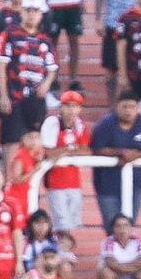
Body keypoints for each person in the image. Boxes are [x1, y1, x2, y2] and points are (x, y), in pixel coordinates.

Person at [0, 0, 58, 164]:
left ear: (41, 15)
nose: (32, 14)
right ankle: (9, 183)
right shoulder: (9, 34)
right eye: (28, 10)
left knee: (34, 138)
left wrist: (46, 84)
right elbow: (0, 66)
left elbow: (52, 68)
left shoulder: (45, 40)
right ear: (21, 12)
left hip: (35, 97)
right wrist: (3, 96)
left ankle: (29, 184)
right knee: (11, 141)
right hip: (14, 95)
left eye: (35, 11)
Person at [90, 92, 141, 231]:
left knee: (130, 226)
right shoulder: (106, 123)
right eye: (124, 106)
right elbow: (96, 148)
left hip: (136, 184)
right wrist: (120, 153)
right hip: (107, 185)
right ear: (117, 106)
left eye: (132, 107)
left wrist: (136, 155)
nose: (128, 110)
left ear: (137, 108)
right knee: (111, 227)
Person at [39, 90, 90, 234]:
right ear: (61, 107)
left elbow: (86, 150)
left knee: (73, 219)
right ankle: (61, 251)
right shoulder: (52, 123)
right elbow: (49, 152)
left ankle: (67, 251)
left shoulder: (80, 125)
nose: (71, 110)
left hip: (74, 179)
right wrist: (71, 149)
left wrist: (65, 150)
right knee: (61, 220)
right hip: (55, 180)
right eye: (67, 106)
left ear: (80, 108)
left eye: (75, 106)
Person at [6, 128, 46, 212]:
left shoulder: (37, 154)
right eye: (31, 137)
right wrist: (33, 171)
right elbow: (16, 179)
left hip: (28, 194)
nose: (34, 141)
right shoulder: (20, 156)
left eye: (37, 137)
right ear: (24, 139)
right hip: (17, 195)